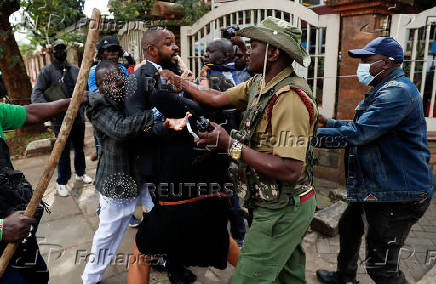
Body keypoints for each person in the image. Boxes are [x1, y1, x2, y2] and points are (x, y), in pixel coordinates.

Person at [161, 16, 318, 284]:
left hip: (284, 207)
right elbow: (218, 98)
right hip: (269, 200)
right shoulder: (259, 84)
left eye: (253, 46)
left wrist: (229, 145)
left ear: (274, 52)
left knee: (247, 278)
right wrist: (180, 82)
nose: (243, 51)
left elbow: (291, 169)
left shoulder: (289, 99)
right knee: (288, 276)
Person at [125, 26, 239, 284]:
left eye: (175, 43)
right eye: (169, 43)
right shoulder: (137, 79)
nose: (175, 48)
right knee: (165, 226)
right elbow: (134, 126)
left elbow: (198, 109)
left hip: (194, 167)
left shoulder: (178, 72)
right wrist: (165, 125)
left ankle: (179, 269)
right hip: (161, 169)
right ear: (151, 49)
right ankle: (175, 269)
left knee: (193, 227)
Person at [315, 37, 433, 284]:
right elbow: (366, 126)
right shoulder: (384, 88)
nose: (361, 66)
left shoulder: (397, 93)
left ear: (387, 63)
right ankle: (344, 278)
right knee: (349, 227)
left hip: (398, 193)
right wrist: (331, 123)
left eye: (366, 60)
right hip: (376, 185)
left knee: (381, 267)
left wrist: (306, 137)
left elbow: (360, 134)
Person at [81, 60, 186, 284]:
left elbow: (144, 129)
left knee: (161, 218)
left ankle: (168, 261)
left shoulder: (129, 97)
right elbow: (122, 129)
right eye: (107, 81)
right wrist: (159, 113)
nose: (116, 83)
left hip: (142, 175)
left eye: (118, 76)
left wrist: (167, 125)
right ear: (98, 86)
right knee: (108, 234)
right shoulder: (97, 106)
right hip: (117, 179)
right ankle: (90, 278)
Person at [0, 97, 87, 284]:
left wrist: (71, 102)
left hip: (18, 228)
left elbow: (30, 112)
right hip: (4, 241)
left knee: (38, 276)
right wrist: (1, 229)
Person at [88, 35, 142, 228]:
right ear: (101, 53)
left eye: (114, 51)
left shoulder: (121, 70)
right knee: (108, 158)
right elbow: (98, 95)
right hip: (107, 120)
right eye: (107, 51)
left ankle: (126, 208)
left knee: (124, 161)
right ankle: (106, 206)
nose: (111, 54)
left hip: (122, 118)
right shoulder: (96, 70)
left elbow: (127, 92)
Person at [31, 39, 92, 197]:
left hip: (77, 117)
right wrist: (50, 109)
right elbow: (36, 95)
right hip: (59, 120)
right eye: (58, 49)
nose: (61, 51)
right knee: (62, 151)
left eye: (63, 48)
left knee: (79, 147)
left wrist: (84, 104)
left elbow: (85, 89)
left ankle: (81, 172)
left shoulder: (75, 69)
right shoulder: (47, 72)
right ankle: (62, 181)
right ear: (52, 52)